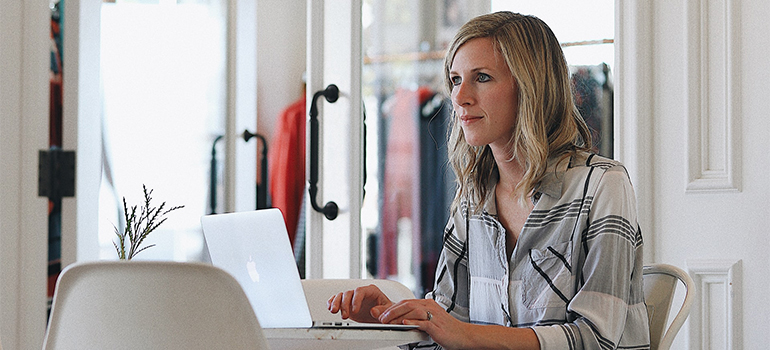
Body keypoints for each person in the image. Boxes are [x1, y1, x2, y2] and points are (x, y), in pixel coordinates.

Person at [328, 11, 649, 350]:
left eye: (481, 77)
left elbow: (597, 339)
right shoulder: (473, 200)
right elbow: (446, 328)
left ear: (530, 87)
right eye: (455, 79)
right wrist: (391, 317)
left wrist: (462, 334)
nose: (460, 97)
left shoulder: (602, 185)